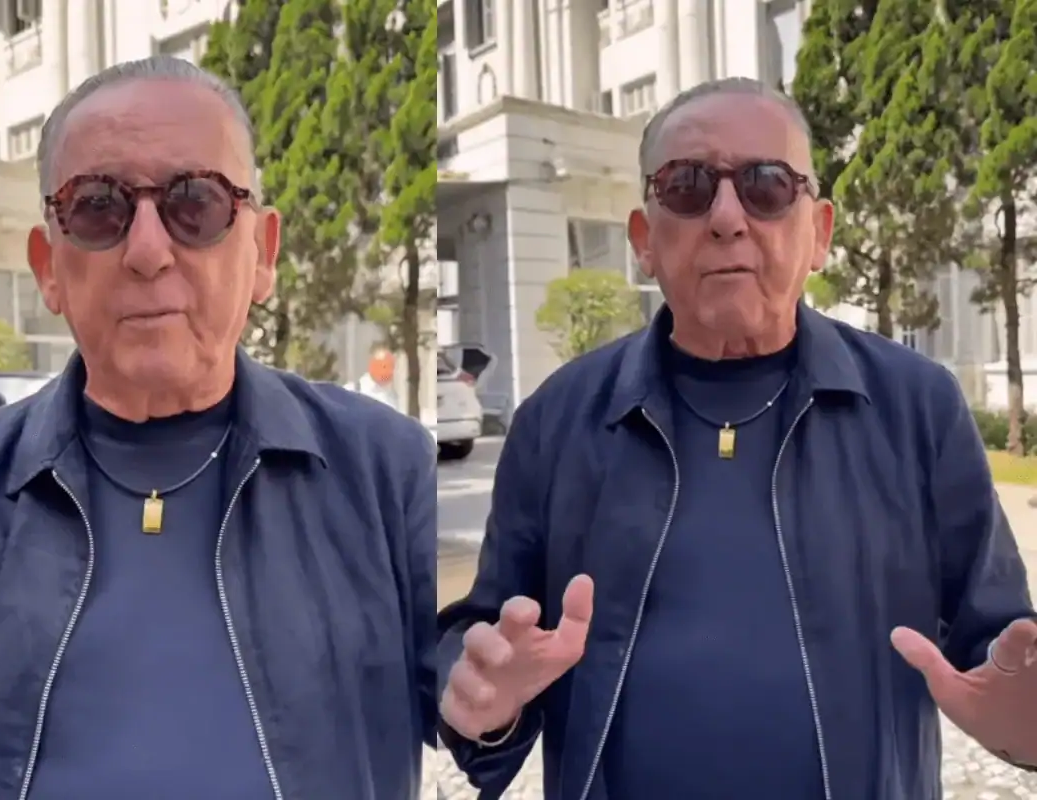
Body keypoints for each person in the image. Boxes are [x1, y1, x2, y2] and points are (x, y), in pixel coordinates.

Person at [0, 56, 436, 800]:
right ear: (48, 267)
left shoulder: (383, 468)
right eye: (98, 207)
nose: (148, 252)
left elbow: (474, 695)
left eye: (196, 203)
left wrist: (495, 704)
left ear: (263, 253)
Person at [437, 77, 1037, 800]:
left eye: (767, 185)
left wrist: (1020, 715)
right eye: (687, 187)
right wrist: (479, 702)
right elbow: (488, 641)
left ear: (819, 233)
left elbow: (999, 642)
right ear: (644, 240)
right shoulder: (557, 420)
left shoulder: (918, 406)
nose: (727, 217)